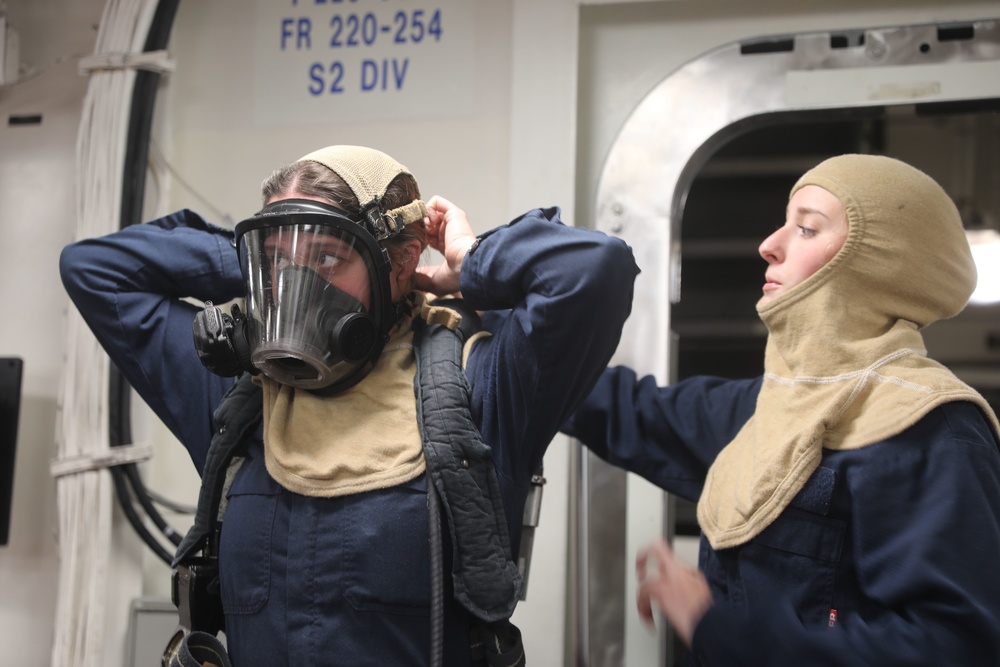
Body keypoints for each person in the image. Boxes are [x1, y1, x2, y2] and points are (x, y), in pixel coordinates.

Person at [60, 144, 639, 666]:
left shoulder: (481, 387)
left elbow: (594, 271)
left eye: (328, 259)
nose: (297, 289)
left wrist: (471, 257)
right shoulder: (242, 401)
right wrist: (262, 255)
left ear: (402, 264)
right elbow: (94, 270)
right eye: (280, 265)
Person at [562, 154, 1000, 666]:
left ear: (877, 266)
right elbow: (626, 409)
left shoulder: (933, 430)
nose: (768, 245)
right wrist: (482, 300)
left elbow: (956, 649)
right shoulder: (771, 406)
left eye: (808, 229)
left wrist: (718, 628)